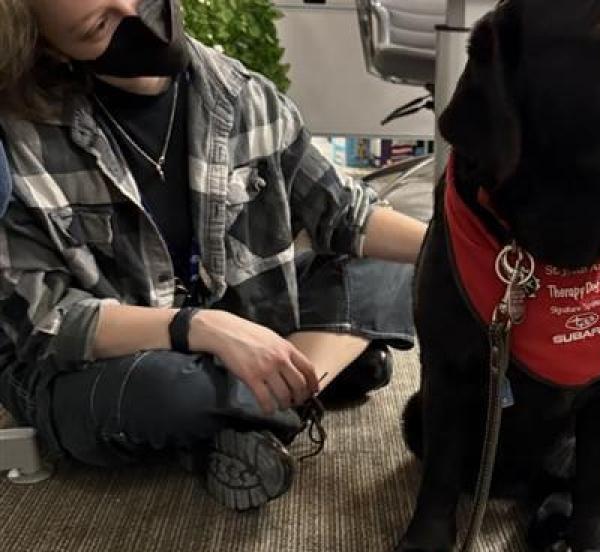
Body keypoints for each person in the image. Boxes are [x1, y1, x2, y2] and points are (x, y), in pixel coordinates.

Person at [0, 0, 426, 511]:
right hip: (108, 359)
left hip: (238, 316)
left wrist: (466, 248)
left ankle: (265, 406)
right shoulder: (18, 139)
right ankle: (299, 384)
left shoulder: (240, 92)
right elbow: (45, 322)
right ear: (52, 49)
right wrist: (198, 328)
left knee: (396, 263)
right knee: (169, 393)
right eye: (98, 26)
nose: (135, 14)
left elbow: (346, 215)